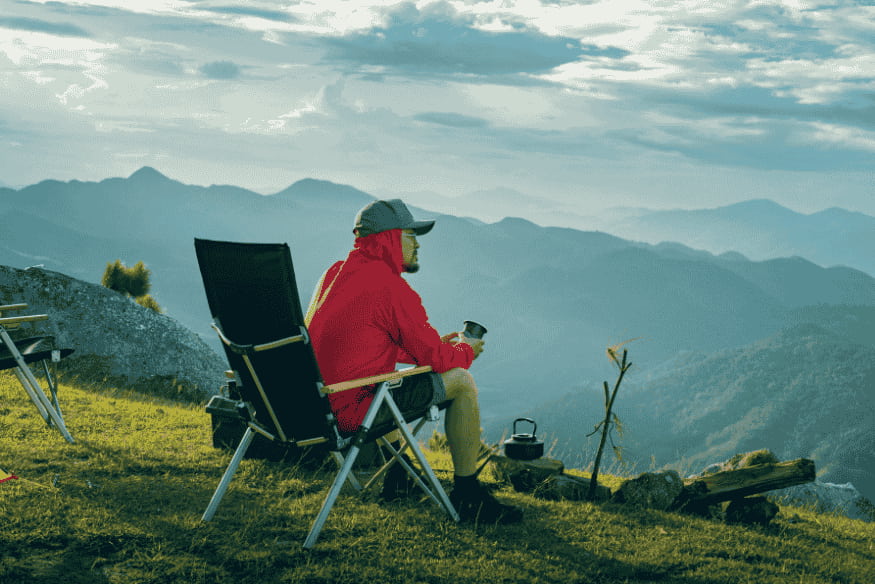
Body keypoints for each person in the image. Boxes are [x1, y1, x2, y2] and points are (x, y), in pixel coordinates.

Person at [305, 199, 522, 524]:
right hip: (349, 414)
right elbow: (437, 360)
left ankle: (399, 479)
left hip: (310, 408)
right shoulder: (390, 288)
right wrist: (466, 351)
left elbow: (359, 340)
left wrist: (430, 346)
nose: (418, 244)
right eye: (411, 235)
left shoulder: (335, 273)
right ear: (389, 238)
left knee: (388, 379)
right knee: (462, 382)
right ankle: (467, 496)